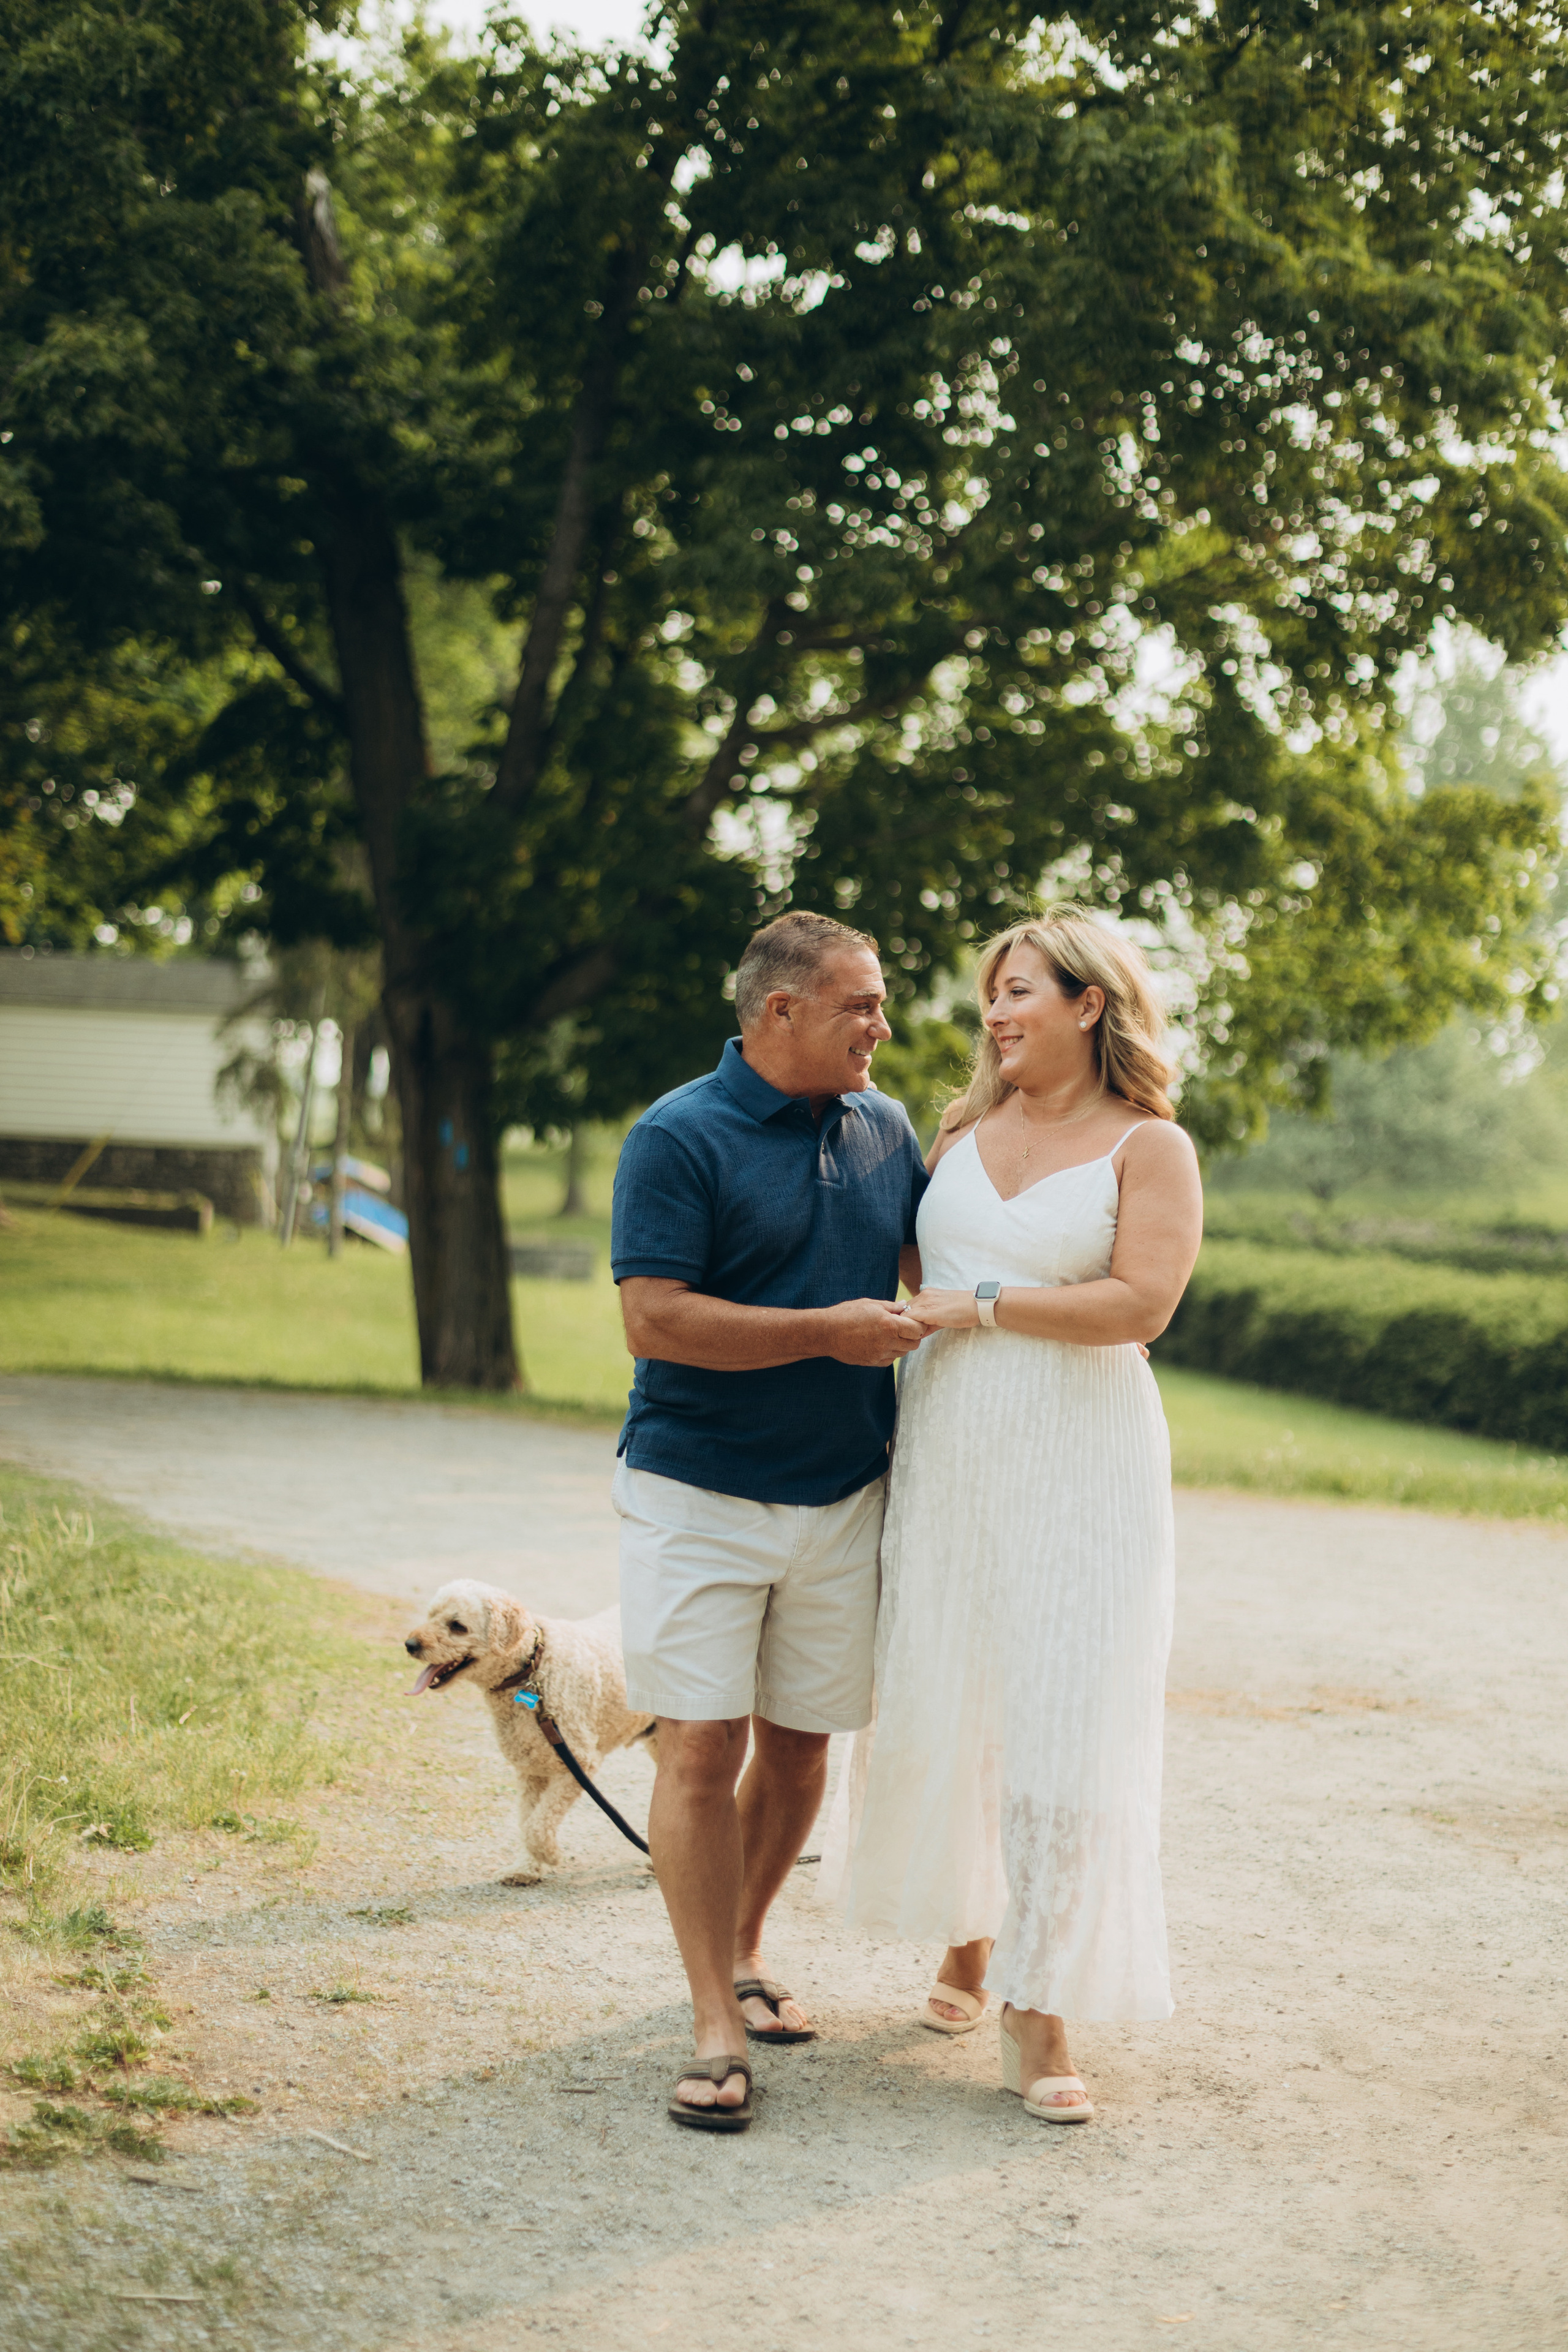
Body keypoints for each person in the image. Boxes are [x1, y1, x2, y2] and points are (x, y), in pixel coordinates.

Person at [823, 907, 1202, 2124]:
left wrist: (980, 1304)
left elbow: (1136, 1304)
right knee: (954, 1695)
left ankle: (1039, 2005)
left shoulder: (1149, 1148)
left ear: (1087, 1005)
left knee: (1060, 1718)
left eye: (1020, 990)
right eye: (991, 991)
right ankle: (968, 1937)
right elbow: (902, 1283)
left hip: (1080, 1457)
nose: (994, 1010)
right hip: (949, 1448)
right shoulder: (953, 1126)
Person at [610, 911, 929, 2132]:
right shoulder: (674, 1136)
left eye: (880, 1004)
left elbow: (931, 1261)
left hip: (843, 1493)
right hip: (697, 1492)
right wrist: (825, 1331)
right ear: (776, 1011)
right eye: (859, 1005)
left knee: (801, 1747)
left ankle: (740, 1950)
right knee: (701, 1750)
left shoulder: (884, 1126)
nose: (880, 1028)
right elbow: (656, 1321)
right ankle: (708, 2021)